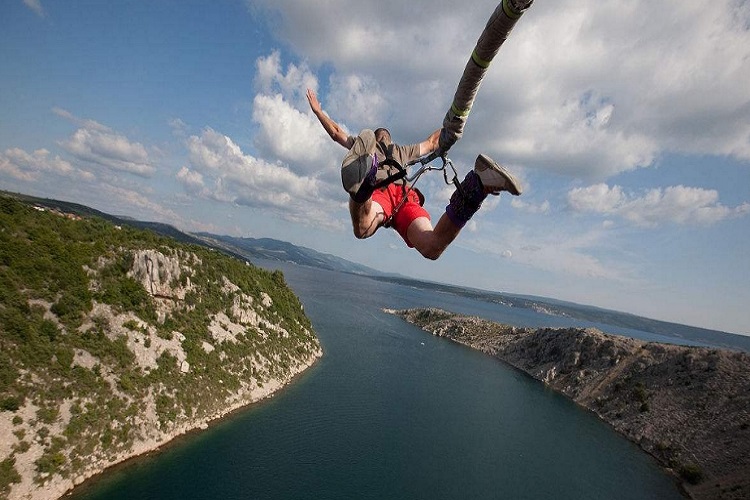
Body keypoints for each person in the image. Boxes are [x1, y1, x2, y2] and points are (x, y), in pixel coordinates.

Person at [306, 88, 522, 260]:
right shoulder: (386, 149)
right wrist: (318, 112)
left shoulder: (384, 149)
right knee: (418, 243)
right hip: (393, 195)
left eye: (380, 135)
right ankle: (477, 187)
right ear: (382, 138)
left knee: (418, 244)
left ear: (379, 138)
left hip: (389, 196)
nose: (383, 137)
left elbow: (336, 133)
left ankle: (477, 185)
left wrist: (452, 125)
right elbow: (431, 143)